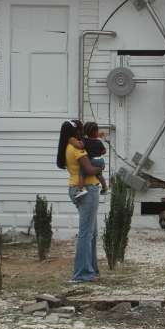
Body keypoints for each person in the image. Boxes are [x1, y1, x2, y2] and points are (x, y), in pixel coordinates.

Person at [57, 119, 105, 283]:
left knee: (92, 233)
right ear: (76, 131)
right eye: (80, 129)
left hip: (77, 188)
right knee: (86, 233)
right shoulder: (78, 149)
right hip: (88, 191)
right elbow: (89, 169)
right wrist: (101, 168)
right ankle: (82, 274)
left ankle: (91, 271)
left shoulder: (69, 146)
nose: (83, 131)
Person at [72, 122, 108, 199]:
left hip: (92, 160)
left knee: (82, 173)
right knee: (99, 175)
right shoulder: (98, 142)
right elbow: (104, 151)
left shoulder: (85, 140)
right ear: (96, 132)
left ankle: (81, 189)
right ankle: (104, 187)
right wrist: (99, 152)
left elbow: (81, 145)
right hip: (100, 160)